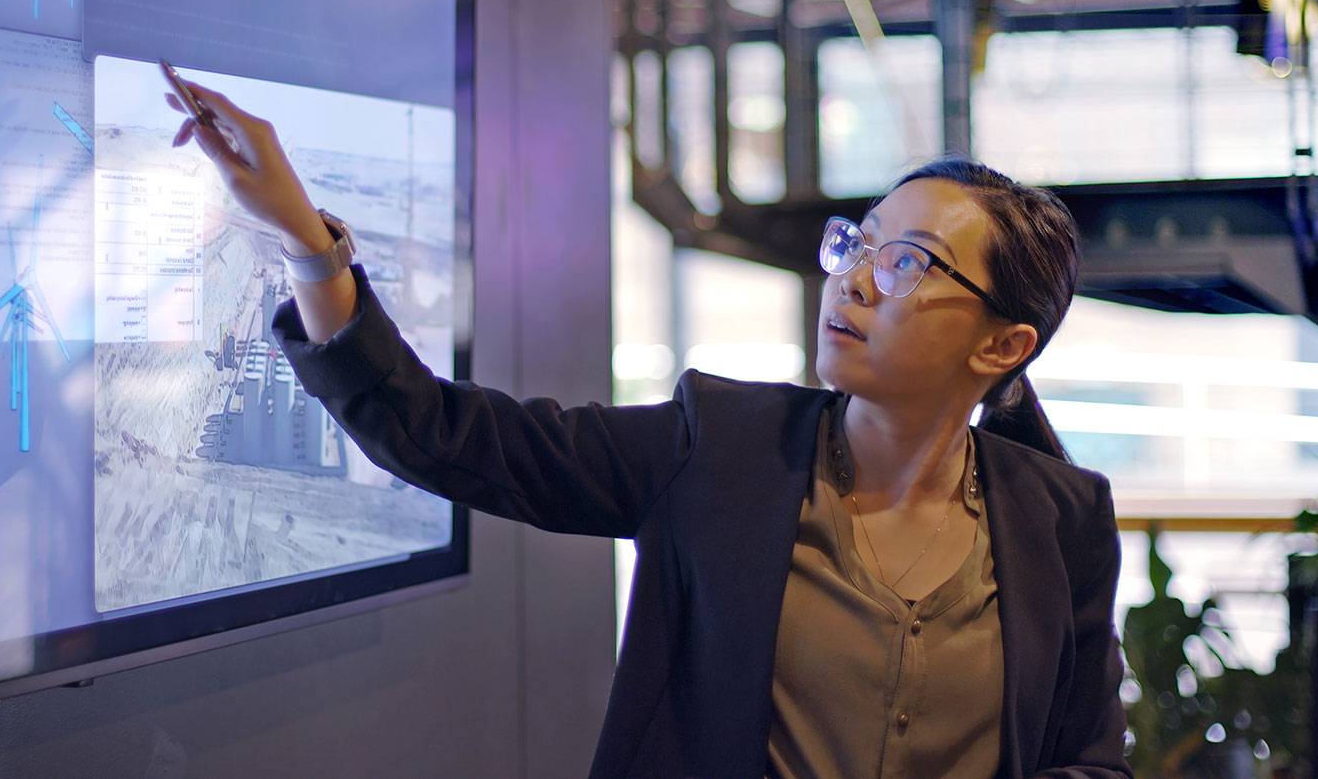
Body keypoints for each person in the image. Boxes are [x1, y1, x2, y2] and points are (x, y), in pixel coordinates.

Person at [167, 83, 1129, 779]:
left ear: (1002, 345)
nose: (856, 277)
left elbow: (1088, 761)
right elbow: (440, 433)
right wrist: (306, 243)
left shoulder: (1061, 515)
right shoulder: (720, 447)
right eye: (859, 242)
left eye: (909, 262)